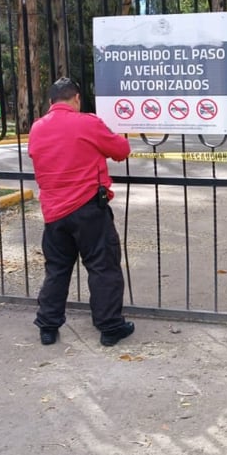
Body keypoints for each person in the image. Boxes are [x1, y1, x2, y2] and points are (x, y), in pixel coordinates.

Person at [28, 77, 135, 347]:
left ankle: (48, 327)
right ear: (76, 99)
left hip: (54, 214)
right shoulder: (87, 122)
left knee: (57, 270)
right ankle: (110, 327)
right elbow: (121, 150)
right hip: (89, 209)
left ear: (51, 102)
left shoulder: (37, 128)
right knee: (102, 267)